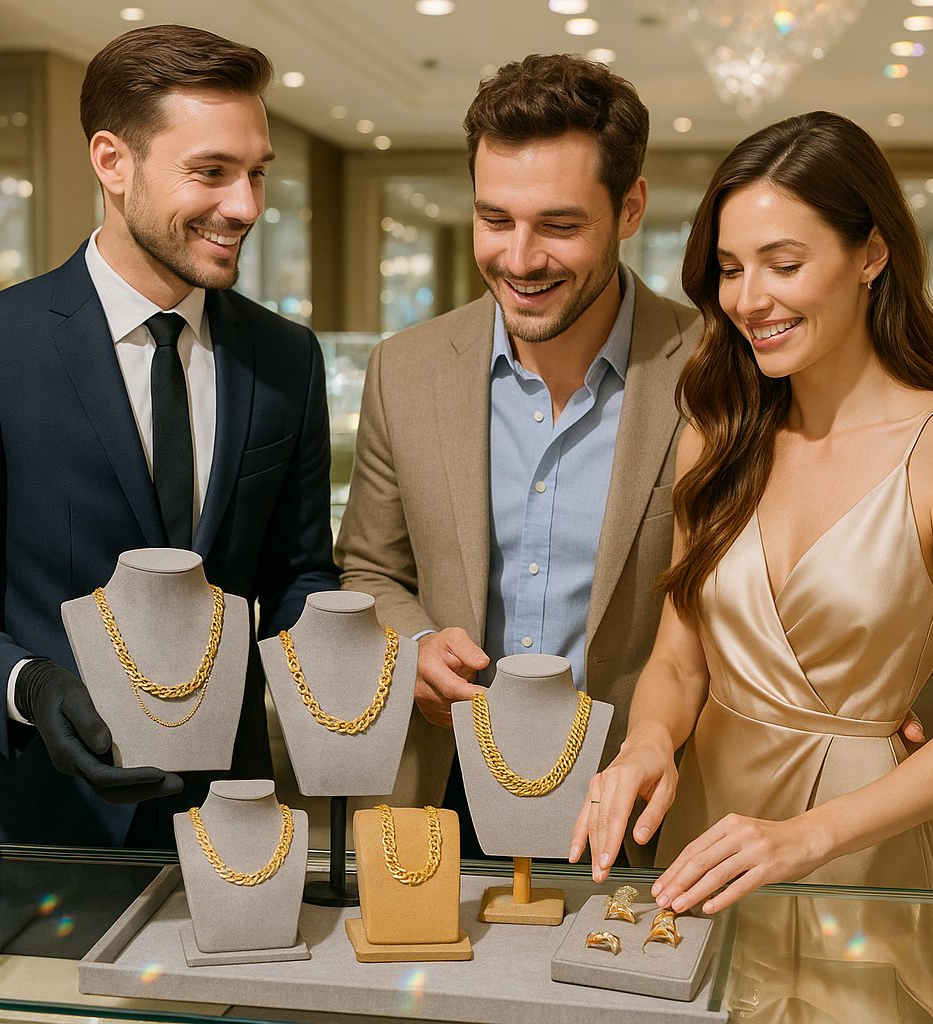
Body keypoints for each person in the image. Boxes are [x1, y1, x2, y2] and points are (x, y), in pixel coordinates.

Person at [571, 110, 933, 1020]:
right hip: (703, 837)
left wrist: (805, 839)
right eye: (729, 267)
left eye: (783, 264)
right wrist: (646, 744)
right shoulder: (719, 436)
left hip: (856, 856)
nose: (749, 297)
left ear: (871, 254)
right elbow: (679, 660)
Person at [0, 24, 339, 848]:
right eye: (211, 172)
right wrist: (30, 685)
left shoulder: (287, 358)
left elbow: (300, 572)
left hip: (233, 832)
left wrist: (357, 651)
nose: (246, 206)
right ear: (112, 161)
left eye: (255, 173)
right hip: (41, 825)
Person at [336, 53, 701, 854]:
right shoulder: (407, 367)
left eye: (560, 226)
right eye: (495, 219)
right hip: (446, 791)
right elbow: (369, 570)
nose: (521, 258)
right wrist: (415, 645)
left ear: (630, 207)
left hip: (640, 804)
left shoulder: (714, 370)